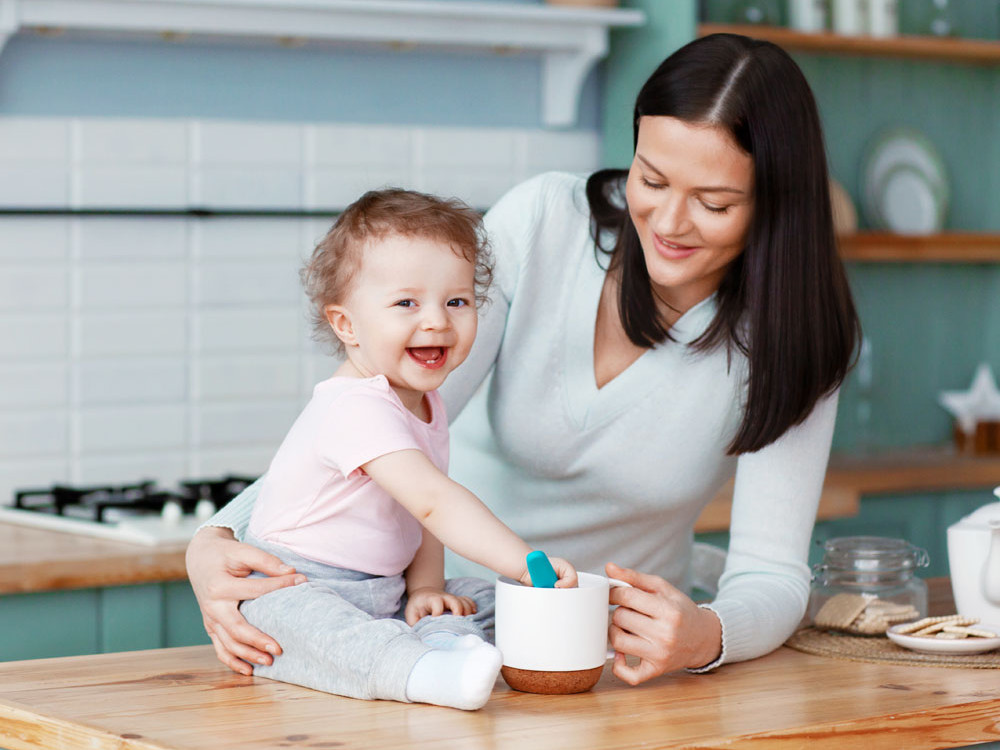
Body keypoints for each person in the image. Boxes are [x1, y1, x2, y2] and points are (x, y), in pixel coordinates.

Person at [186, 33, 860, 687]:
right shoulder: (546, 224)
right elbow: (374, 414)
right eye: (650, 179)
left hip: (603, 665)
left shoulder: (796, 338)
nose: (668, 221)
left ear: (774, 205)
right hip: (429, 612)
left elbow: (772, 574)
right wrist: (217, 536)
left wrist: (704, 636)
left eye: (714, 203)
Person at [227, 187, 576, 711]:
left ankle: (443, 643)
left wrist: (426, 589)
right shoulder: (354, 407)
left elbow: (419, 517)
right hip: (293, 583)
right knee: (318, 628)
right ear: (346, 325)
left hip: (382, 590)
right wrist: (525, 563)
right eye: (406, 303)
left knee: (483, 597)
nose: (436, 320)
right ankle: (425, 671)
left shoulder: (425, 403)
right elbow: (437, 501)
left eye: (456, 301)